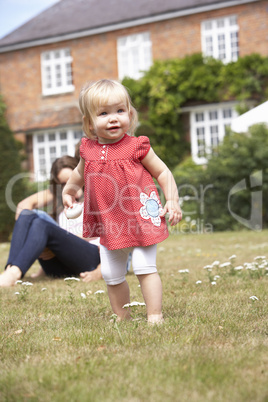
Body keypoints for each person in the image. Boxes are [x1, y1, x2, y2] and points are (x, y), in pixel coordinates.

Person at [62, 79, 182, 324]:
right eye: (103, 113)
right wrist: (69, 190)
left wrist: (172, 200)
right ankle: (122, 316)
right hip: (109, 223)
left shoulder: (137, 146)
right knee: (110, 272)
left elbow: (163, 173)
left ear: (130, 114)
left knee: (143, 266)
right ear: (89, 123)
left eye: (120, 111)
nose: (113, 118)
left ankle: (155, 315)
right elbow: (78, 174)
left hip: (141, 217)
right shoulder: (88, 150)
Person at [0, 156, 102, 287]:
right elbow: (24, 205)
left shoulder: (95, 198)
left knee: (42, 224)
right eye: (64, 184)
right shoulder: (61, 205)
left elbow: (109, 235)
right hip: (61, 264)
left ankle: (14, 273)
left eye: (72, 180)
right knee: (28, 215)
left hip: (90, 257)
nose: (70, 186)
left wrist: (100, 271)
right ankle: (11, 269)